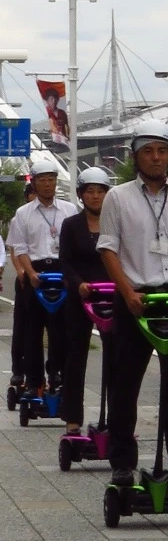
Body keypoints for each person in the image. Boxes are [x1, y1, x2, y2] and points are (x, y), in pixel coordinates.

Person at [97, 120, 168, 487]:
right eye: (148, 151)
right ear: (136, 156)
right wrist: (127, 293)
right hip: (136, 300)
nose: (156, 157)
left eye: (162, 150)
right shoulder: (118, 196)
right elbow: (108, 248)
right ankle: (123, 463)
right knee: (124, 386)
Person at [8, 158, 77, 397]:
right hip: (34, 273)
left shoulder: (69, 210)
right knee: (32, 332)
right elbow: (19, 247)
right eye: (42, 180)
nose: (48, 184)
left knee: (61, 330)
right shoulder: (23, 213)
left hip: (62, 273)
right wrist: (29, 272)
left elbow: (73, 245)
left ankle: (58, 374)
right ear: (34, 183)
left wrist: (71, 274)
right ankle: (34, 381)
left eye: (51, 179)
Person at [58, 166, 113, 434]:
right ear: (81, 195)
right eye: (89, 191)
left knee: (117, 357)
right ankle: (72, 419)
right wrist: (78, 284)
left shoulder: (117, 222)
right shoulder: (71, 225)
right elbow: (65, 261)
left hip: (113, 296)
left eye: (100, 191)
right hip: (81, 298)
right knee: (76, 357)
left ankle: (117, 418)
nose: (95, 196)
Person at [6, 181, 37, 392]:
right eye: (32, 194)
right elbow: (15, 249)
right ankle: (18, 369)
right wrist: (20, 271)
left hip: (50, 278)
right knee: (23, 327)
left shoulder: (61, 213)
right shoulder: (21, 217)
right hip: (27, 278)